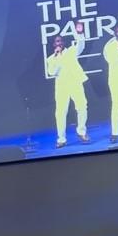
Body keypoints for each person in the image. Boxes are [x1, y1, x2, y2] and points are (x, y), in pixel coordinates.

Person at [46, 20, 91, 148]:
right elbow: (52, 72)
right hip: (61, 86)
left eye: (60, 41)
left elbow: (81, 45)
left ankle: (81, 132)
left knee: (82, 106)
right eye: (57, 42)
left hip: (75, 82)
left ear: (63, 43)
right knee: (60, 112)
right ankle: (61, 139)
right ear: (54, 44)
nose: (59, 43)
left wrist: (80, 33)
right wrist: (57, 58)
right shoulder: (51, 59)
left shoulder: (71, 51)